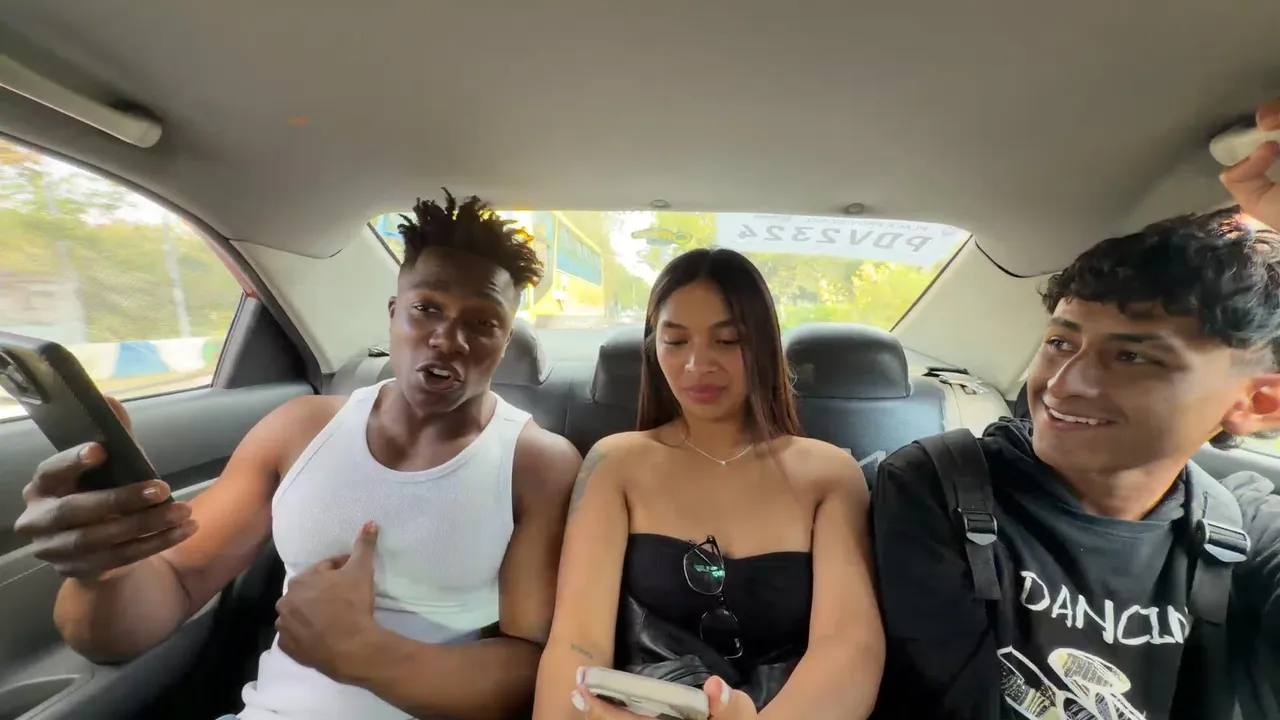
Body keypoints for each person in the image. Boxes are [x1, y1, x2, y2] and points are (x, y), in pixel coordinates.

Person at [12, 191, 582, 720]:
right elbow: (168, 589)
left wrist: (368, 655)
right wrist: (105, 567)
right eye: (427, 308)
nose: (448, 338)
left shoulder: (536, 465)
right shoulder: (300, 429)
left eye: (483, 322)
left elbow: (532, 665)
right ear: (393, 313)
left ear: (505, 342)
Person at [870, 99, 1280, 720]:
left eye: (1133, 357)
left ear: (1256, 402)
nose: (1065, 384)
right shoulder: (941, 486)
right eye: (1061, 343)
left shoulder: (1248, 529)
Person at [531, 248, 884, 720]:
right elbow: (577, 643)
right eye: (676, 341)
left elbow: (848, 648)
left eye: (727, 340)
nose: (697, 364)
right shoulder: (616, 464)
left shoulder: (830, 474)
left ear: (763, 345)